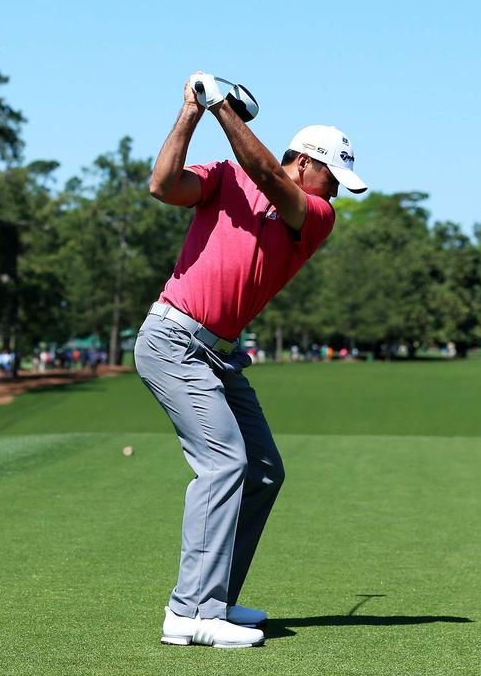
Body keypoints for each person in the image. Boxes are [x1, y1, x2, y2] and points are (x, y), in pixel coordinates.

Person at [138, 73, 367, 648]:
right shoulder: (227, 178)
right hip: (172, 340)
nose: (335, 191)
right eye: (332, 177)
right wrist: (193, 110)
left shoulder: (314, 215)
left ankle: (214, 598)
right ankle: (188, 614)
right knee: (223, 463)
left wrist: (222, 108)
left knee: (264, 471)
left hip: (217, 356)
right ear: (304, 163)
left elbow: (265, 173)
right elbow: (163, 185)